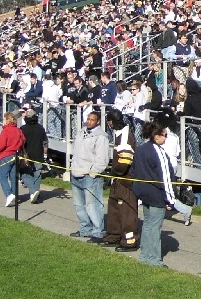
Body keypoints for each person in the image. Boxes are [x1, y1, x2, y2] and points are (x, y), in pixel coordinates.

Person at [131, 117, 176, 266]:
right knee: (155, 227)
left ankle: (145, 255)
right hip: (156, 194)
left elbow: (134, 170)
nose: (166, 138)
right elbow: (166, 177)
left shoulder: (141, 149)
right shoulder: (158, 152)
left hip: (143, 193)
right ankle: (155, 259)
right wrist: (171, 199)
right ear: (157, 136)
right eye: (165, 135)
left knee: (148, 224)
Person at [101, 108, 139, 251]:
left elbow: (125, 161)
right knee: (114, 209)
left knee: (127, 212)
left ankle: (129, 241)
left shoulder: (125, 135)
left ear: (111, 122)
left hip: (125, 180)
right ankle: (114, 236)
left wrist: (113, 171)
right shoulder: (119, 134)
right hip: (117, 180)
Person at [69, 111, 110, 243]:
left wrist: (92, 173)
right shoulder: (81, 132)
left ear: (98, 122)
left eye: (92, 120)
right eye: (88, 119)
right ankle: (85, 228)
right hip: (76, 172)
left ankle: (98, 231)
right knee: (79, 205)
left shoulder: (101, 137)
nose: (89, 121)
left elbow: (102, 159)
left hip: (89, 176)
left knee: (93, 205)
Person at [0, 112, 26, 207]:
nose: (3, 121)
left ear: (7, 120)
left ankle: (9, 194)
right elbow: (23, 140)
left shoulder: (6, 131)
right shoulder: (18, 130)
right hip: (16, 155)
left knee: (1, 175)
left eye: (4, 120)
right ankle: (14, 195)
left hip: (6, 155)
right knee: (13, 177)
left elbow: (2, 145)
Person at [19, 108, 48, 204]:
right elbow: (45, 142)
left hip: (26, 156)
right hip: (39, 155)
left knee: (24, 174)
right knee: (37, 175)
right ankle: (36, 192)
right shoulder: (41, 128)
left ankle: (33, 191)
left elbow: (20, 143)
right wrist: (45, 154)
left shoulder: (23, 129)